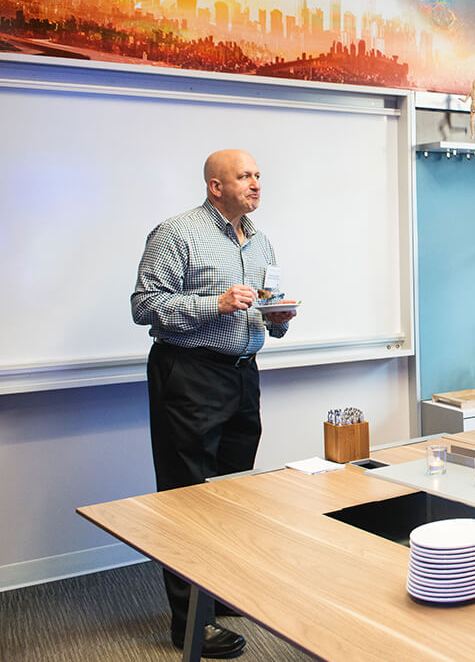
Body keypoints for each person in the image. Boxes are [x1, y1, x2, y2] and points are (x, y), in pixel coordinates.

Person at [132, 149, 296, 658]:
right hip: (190, 376)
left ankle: (217, 596)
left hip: (242, 377)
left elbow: (266, 307)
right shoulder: (176, 233)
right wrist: (215, 303)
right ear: (215, 186)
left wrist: (279, 317)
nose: (256, 183)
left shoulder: (260, 239)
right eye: (245, 176)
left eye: (258, 176)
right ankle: (187, 627)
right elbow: (144, 305)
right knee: (187, 502)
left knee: (232, 496)